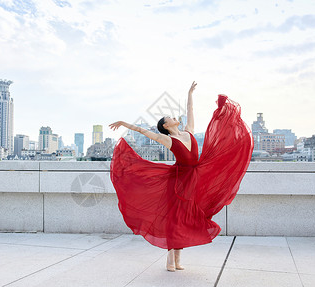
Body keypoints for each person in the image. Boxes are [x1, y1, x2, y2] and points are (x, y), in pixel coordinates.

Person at [108, 81, 253, 272]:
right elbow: (144, 131)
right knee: (175, 220)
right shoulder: (168, 139)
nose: (174, 117)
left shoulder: (189, 131)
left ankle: (176, 260)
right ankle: (170, 259)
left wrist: (190, 93)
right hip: (177, 183)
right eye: (170, 117)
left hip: (194, 179)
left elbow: (190, 109)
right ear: (166, 125)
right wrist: (124, 124)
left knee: (184, 219)